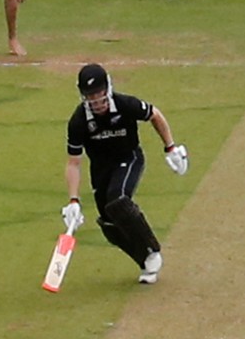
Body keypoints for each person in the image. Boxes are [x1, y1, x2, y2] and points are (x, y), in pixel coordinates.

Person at [60, 63, 189, 284]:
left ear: (108, 88)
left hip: (128, 158)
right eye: (90, 95)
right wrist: (73, 200)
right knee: (109, 225)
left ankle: (152, 248)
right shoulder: (78, 121)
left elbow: (154, 115)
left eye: (99, 93)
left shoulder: (124, 104)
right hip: (101, 169)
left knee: (118, 200)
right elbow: (73, 163)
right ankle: (146, 260)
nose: (96, 100)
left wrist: (170, 148)